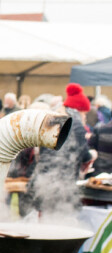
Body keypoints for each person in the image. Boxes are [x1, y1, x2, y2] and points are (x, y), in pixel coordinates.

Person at [27, 83, 92, 214]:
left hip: (42, 181)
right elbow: (84, 155)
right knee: (61, 220)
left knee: (43, 218)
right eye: (84, 113)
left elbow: (43, 153)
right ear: (78, 110)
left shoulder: (52, 119)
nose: (85, 117)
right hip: (63, 184)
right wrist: (92, 155)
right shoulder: (77, 124)